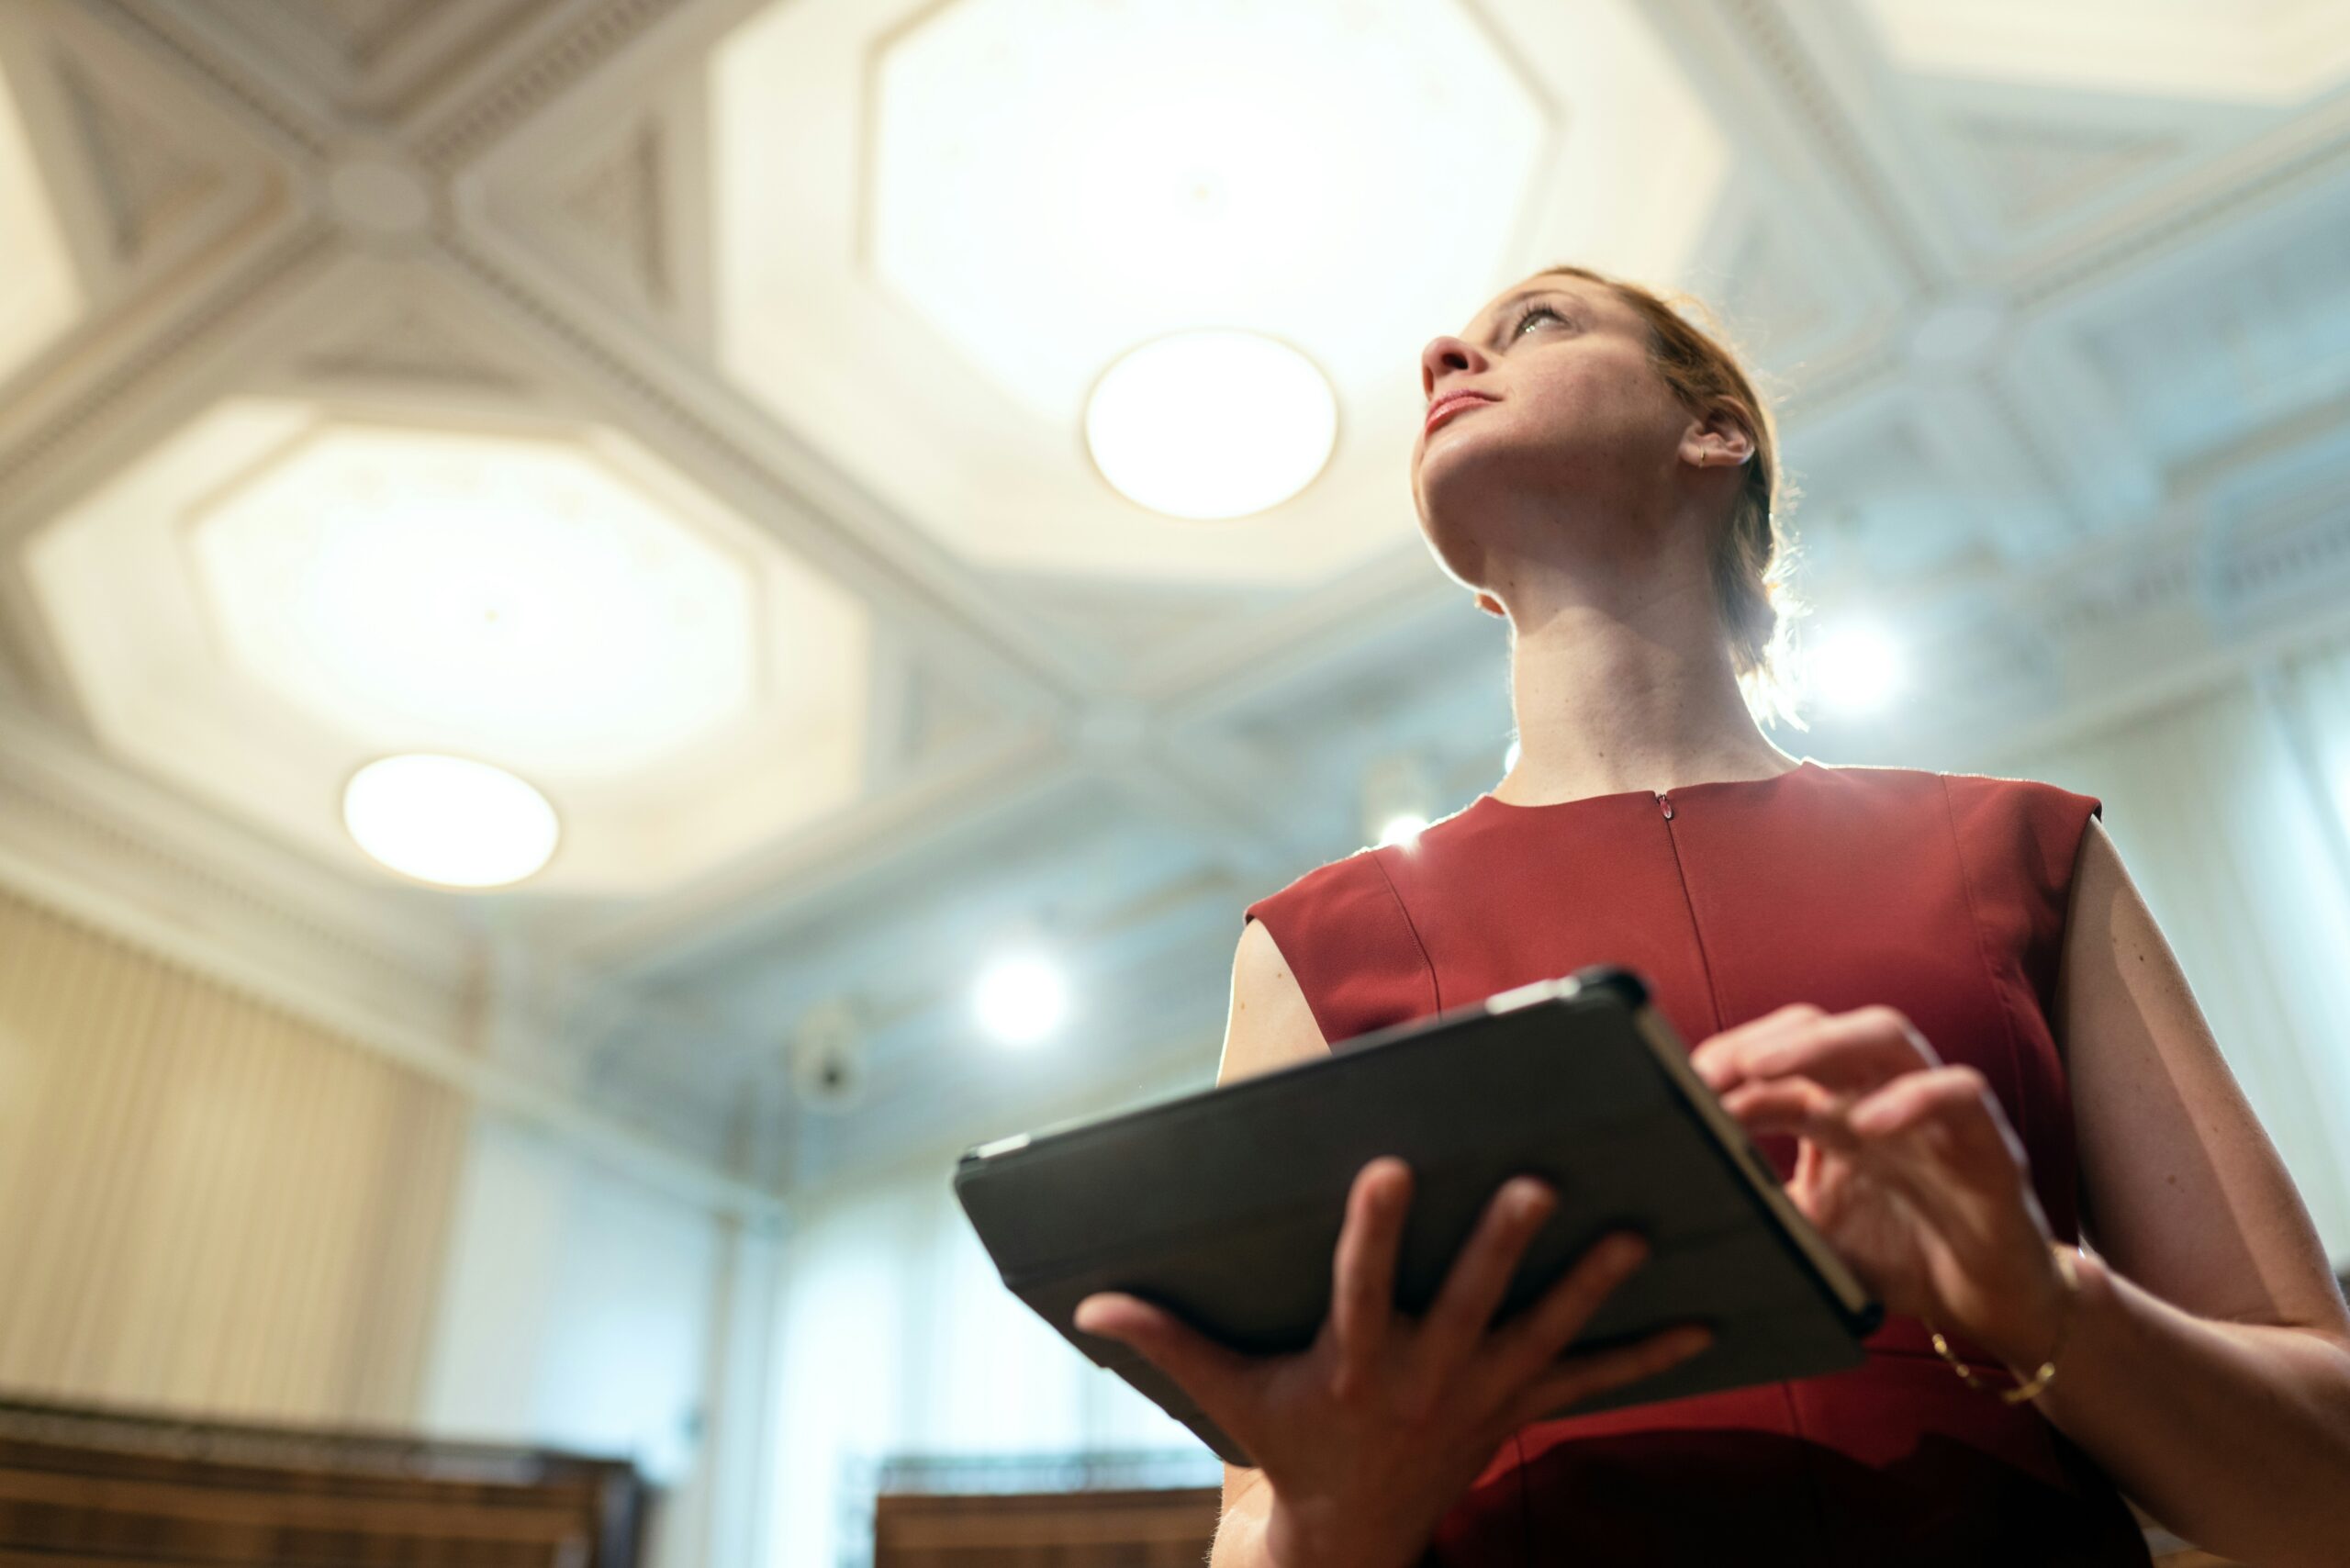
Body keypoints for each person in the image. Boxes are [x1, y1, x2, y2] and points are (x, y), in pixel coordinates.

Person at [1070, 265, 2350, 1566]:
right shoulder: (1312, 946)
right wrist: (1330, 1519)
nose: (1444, 353)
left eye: (1539, 322)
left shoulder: (2025, 851)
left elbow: (2329, 1492)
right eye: (1455, 346)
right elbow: (1252, 1515)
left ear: (1714, 431)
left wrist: (2047, 1308)